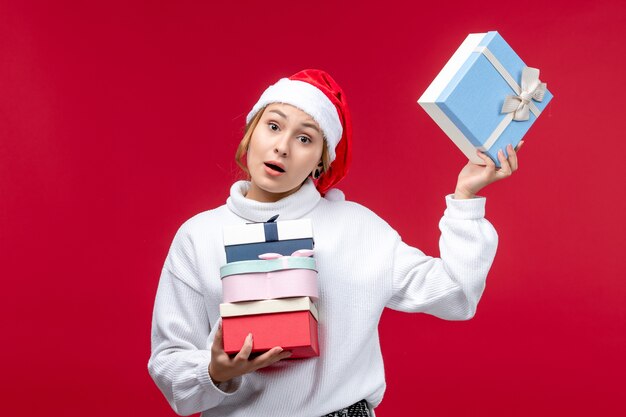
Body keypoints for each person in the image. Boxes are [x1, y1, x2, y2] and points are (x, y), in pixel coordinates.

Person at [148, 69, 521, 416]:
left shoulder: (359, 229)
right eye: (273, 126)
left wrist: (466, 200)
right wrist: (215, 371)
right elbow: (169, 366)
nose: (281, 147)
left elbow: (456, 296)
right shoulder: (198, 236)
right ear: (250, 133)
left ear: (320, 163)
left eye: (305, 138)